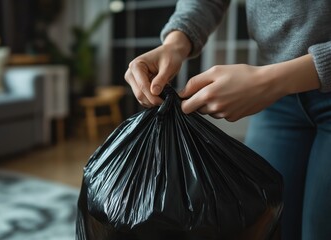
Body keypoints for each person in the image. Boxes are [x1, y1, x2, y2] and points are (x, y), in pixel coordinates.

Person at [124, 1, 331, 240]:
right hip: (277, 99)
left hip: (275, 84)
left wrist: (270, 81)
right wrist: (175, 42)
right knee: (265, 222)